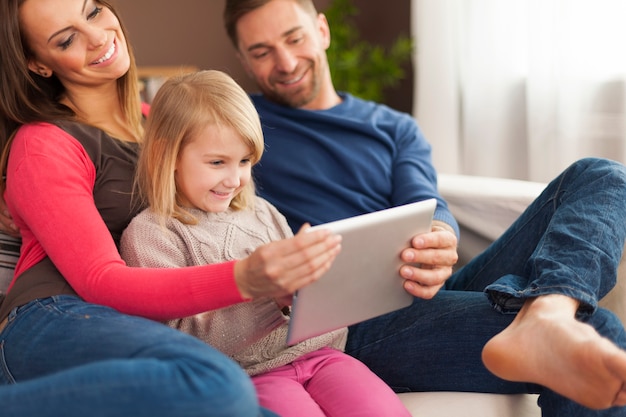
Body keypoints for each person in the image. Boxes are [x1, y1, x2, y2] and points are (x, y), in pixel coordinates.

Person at [222, 0, 626, 414]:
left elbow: (425, 199)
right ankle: (553, 321)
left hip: (427, 289)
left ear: (321, 31)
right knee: (598, 331)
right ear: (245, 61)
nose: (286, 62)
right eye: (262, 52)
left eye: (295, 38)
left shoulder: (393, 127)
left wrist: (441, 233)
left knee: (602, 174)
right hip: (349, 323)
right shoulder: (238, 127)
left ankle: (551, 311)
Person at [0, 0, 343, 416]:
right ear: (39, 64)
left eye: (92, 12)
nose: (96, 37)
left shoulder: (165, 124)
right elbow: (100, 281)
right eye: (67, 39)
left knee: (238, 399)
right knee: (215, 384)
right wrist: (248, 278)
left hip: (147, 327)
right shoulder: (42, 143)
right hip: (55, 315)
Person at [119, 69, 411, 417]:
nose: (235, 178)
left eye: (244, 161)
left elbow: (311, 302)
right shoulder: (152, 235)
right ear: (167, 156)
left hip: (323, 355)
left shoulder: (263, 212)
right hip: (253, 375)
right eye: (217, 162)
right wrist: (271, 300)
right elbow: (180, 345)